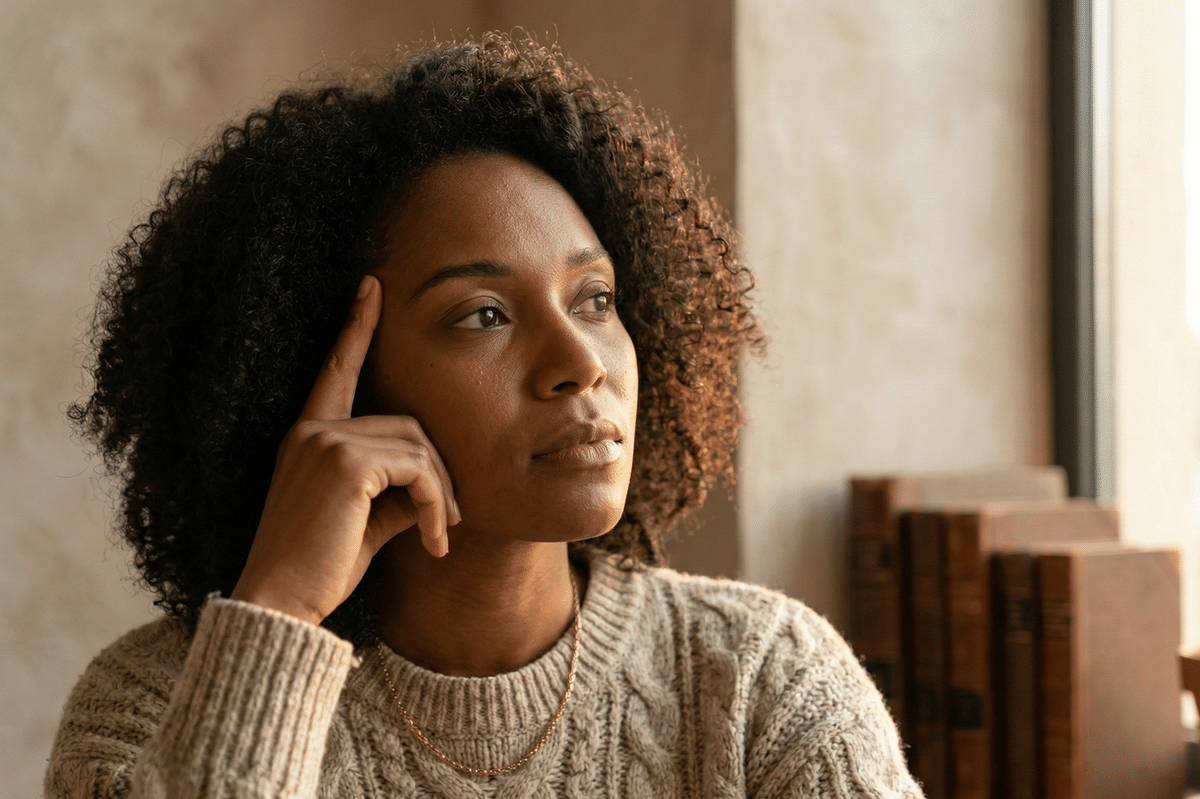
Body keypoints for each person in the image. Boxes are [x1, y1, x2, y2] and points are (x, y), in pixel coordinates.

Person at [46, 33, 923, 799]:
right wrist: (278, 607)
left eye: (595, 298)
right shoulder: (150, 706)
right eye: (484, 315)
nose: (581, 362)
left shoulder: (763, 678)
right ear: (325, 374)